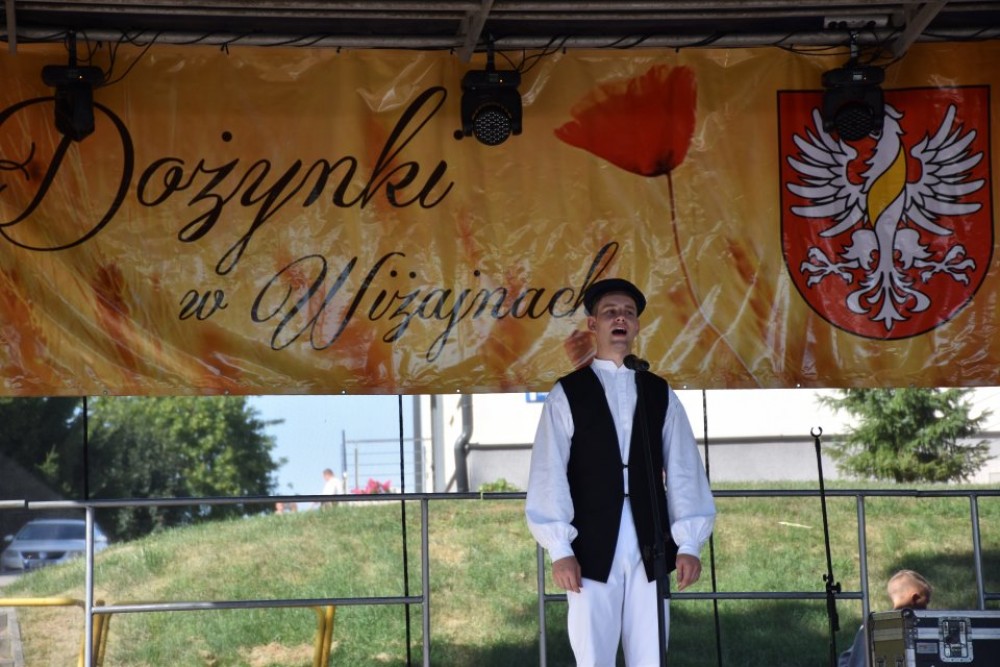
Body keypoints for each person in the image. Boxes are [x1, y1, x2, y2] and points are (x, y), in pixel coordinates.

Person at [525, 277, 717, 666]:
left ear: (637, 326)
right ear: (592, 325)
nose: (620, 318)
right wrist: (560, 549)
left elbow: (683, 469)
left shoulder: (658, 391)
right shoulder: (568, 393)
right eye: (610, 312)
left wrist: (689, 543)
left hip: (650, 543)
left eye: (628, 313)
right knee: (593, 655)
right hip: (591, 547)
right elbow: (549, 472)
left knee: (651, 654)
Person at [838, 569, 933, 667]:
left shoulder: (872, 626)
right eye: (926, 602)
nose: (927, 608)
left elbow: (847, 660)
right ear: (915, 598)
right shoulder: (919, 628)